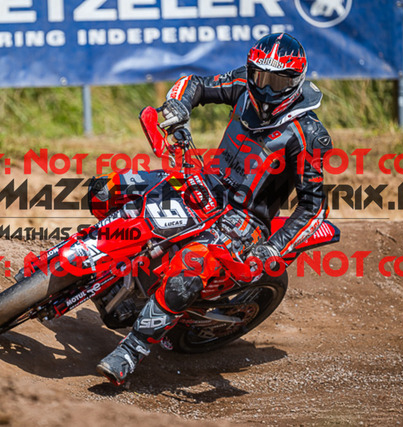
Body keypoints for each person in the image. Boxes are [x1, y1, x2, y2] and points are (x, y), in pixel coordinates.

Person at [94, 33, 333, 385]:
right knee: (104, 190)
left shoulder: (310, 134)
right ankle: (99, 270)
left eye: (277, 81)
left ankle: (131, 351)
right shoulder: (242, 85)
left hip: (245, 221)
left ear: (296, 80)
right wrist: (179, 106)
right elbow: (195, 84)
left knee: (188, 270)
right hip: (203, 183)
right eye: (260, 76)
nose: (266, 88)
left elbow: (313, 207)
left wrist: (273, 247)